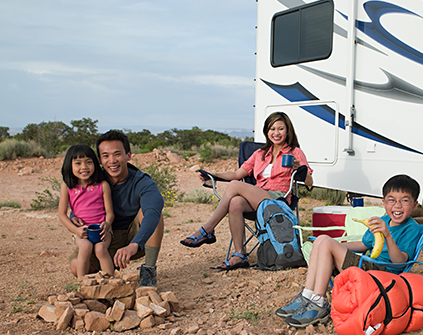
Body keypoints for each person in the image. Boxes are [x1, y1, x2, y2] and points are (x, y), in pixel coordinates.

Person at [275, 174, 421, 328]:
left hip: (382, 274)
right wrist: (336, 245)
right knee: (321, 240)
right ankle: (307, 295)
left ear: (414, 205)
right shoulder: (382, 221)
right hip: (368, 266)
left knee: (326, 243)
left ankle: (319, 302)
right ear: (384, 203)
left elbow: (400, 261)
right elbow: (363, 244)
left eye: (404, 200)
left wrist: (388, 236)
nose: (397, 205)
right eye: (392, 200)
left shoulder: (411, 228)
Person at [180, 112, 313, 270]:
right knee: (235, 202)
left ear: (287, 131)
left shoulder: (295, 152)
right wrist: (214, 176)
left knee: (235, 185)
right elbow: (237, 174)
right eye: (272, 128)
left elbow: (310, 183)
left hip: (278, 199)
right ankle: (240, 254)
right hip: (259, 198)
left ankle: (207, 230)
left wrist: (300, 169)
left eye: (280, 128)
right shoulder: (259, 154)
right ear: (266, 131)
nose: (276, 132)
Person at [69, 130, 164, 287]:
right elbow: (78, 200)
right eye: (105, 156)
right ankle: (105, 274)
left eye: (117, 154)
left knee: (153, 215)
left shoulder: (142, 182)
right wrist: (74, 215)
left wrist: (134, 245)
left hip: (133, 237)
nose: (112, 160)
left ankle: (148, 271)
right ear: (99, 159)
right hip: (103, 236)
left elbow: (153, 211)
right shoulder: (92, 179)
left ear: (128, 155)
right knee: (76, 267)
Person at [58, 144, 115, 280]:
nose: (84, 167)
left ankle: (112, 284)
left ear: (95, 164)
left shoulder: (102, 185)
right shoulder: (67, 187)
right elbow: (61, 214)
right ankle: (82, 284)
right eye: (78, 163)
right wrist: (75, 230)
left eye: (88, 162)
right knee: (85, 247)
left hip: (102, 229)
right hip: (81, 230)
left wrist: (107, 224)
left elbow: (110, 212)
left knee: (100, 249)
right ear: (69, 165)